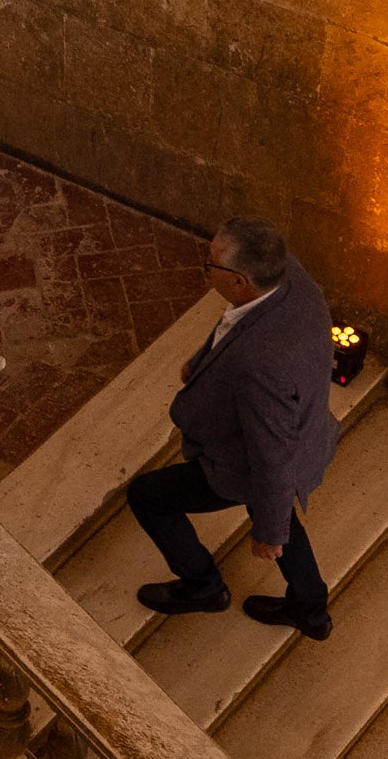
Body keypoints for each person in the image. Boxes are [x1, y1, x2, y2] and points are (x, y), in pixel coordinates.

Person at [128, 218, 339, 640]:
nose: (205, 267)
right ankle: (311, 609)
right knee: (272, 509)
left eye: (210, 263)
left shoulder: (261, 368)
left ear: (239, 280)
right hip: (306, 431)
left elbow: (271, 457)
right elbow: (234, 324)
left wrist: (268, 533)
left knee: (147, 496)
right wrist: (202, 358)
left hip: (243, 463)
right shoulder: (287, 276)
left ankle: (203, 588)